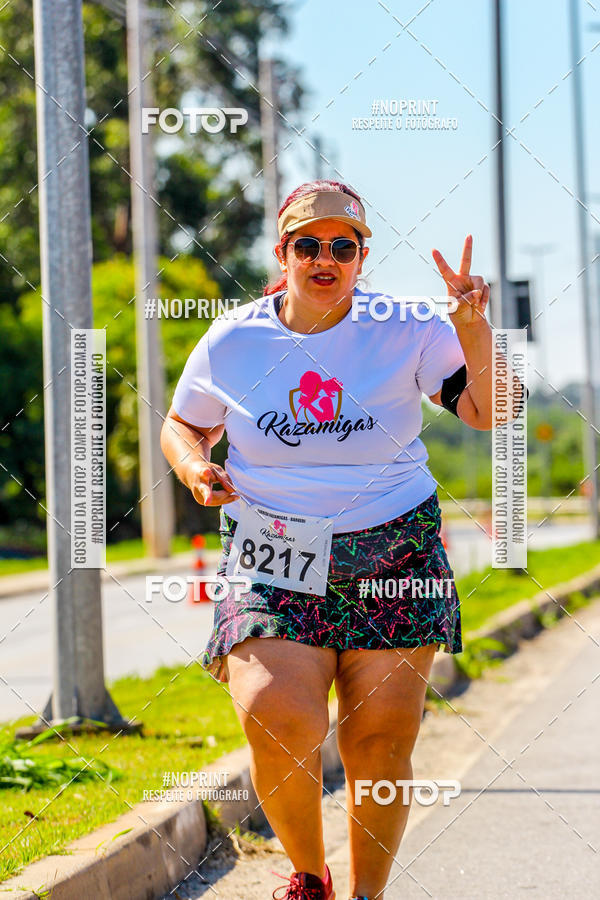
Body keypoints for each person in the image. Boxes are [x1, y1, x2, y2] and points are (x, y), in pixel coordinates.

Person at [160, 179, 521, 900]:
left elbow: (492, 411)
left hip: (393, 546)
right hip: (274, 549)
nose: (325, 258)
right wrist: (197, 467)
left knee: (380, 742)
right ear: (283, 253)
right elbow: (183, 424)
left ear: (361, 257)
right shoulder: (234, 338)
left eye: (342, 246)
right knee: (274, 715)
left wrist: (473, 327)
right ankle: (309, 876)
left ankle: (366, 895)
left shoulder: (408, 327)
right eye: (308, 245)